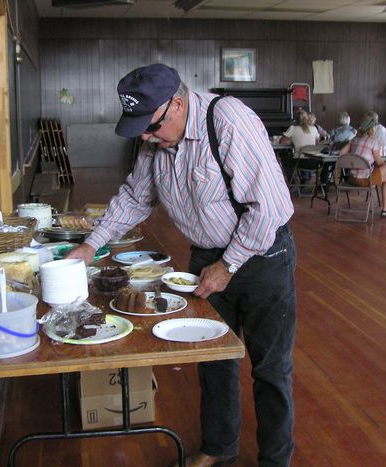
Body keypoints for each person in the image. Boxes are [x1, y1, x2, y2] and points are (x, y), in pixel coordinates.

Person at [66, 64, 297, 467]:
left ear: (176, 104)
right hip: (208, 257)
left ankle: (275, 461)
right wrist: (90, 245)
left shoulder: (226, 120)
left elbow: (270, 208)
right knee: (212, 357)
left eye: (150, 126)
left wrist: (229, 265)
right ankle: (219, 447)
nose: (144, 136)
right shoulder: (155, 141)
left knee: (270, 368)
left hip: (261, 256)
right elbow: (135, 198)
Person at [339, 118, 386, 218]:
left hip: (351, 178)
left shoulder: (354, 140)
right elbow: (380, 162)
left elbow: (341, 154)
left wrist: (352, 146)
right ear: (371, 129)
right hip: (365, 180)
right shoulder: (373, 141)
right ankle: (385, 209)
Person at [280, 110, 320, 184]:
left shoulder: (293, 128)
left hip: (300, 162)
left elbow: (281, 142)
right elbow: (317, 143)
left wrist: (292, 141)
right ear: (307, 118)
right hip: (314, 162)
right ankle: (305, 178)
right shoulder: (314, 128)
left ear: (296, 119)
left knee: (285, 159)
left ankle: (292, 182)